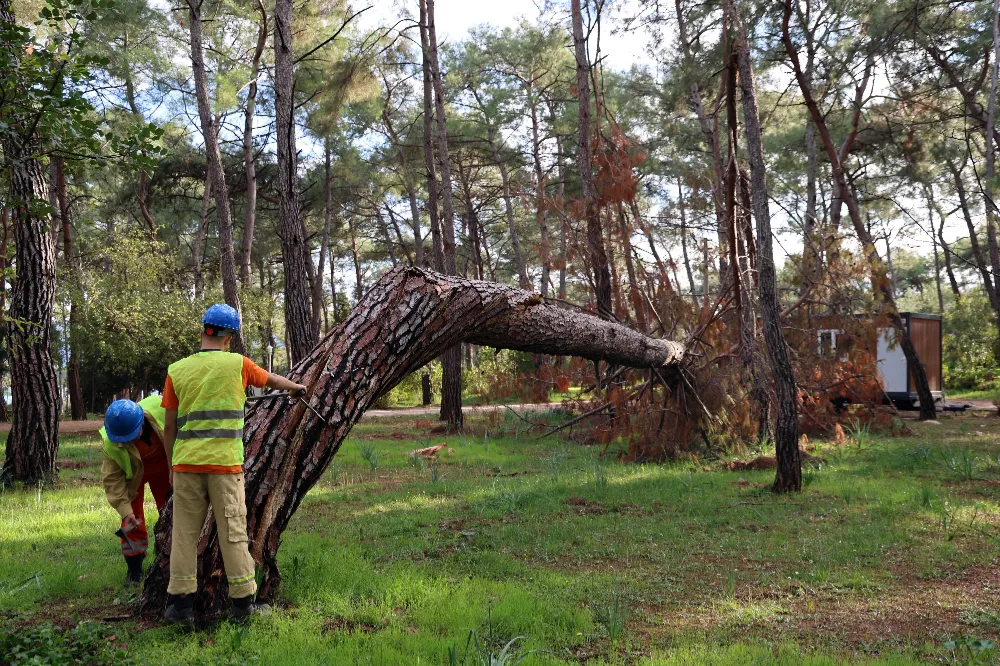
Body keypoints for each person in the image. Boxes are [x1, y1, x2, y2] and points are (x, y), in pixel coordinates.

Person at [162, 304, 305, 627]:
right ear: (230, 337)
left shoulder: (177, 370)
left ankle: (179, 607)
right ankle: (242, 607)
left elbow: (169, 427)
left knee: (183, 534)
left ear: (203, 331)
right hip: (224, 467)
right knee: (233, 533)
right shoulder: (238, 365)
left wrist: (173, 464)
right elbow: (272, 381)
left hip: (186, 465)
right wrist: (296, 387)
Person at [100, 396, 172, 587]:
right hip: (133, 477)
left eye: (131, 437)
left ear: (142, 423)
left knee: (172, 512)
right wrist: (126, 511)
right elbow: (113, 481)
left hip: (167, 468)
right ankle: (134, 570)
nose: (125, 443)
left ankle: (170, 558)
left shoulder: (164, 410)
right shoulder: (111, 441)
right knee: (131, 521)